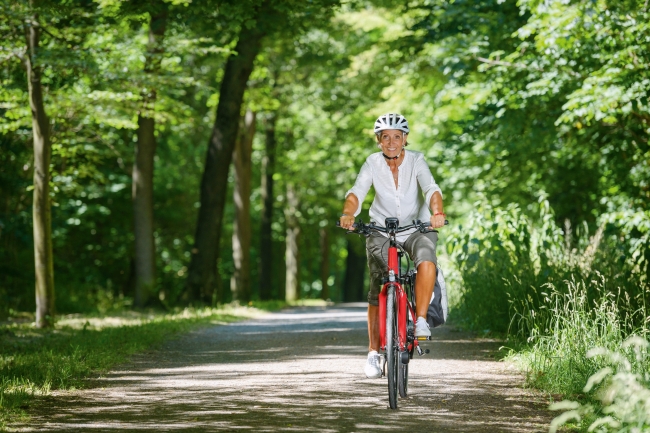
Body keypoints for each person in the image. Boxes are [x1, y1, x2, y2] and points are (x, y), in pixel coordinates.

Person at [339, 113, 445, 379]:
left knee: (426, 258)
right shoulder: (372, 163)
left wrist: (437, 212)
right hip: (380, 230)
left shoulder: (417, 160)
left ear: (405, 139)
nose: (391, 142)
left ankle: (420, 320)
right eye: (385, 137)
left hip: (416, 228)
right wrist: (348, 213)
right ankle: (374, 353)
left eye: (396, 136)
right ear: (379, 141)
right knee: (378, 286)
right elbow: (357, 192)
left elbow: (431, 188)